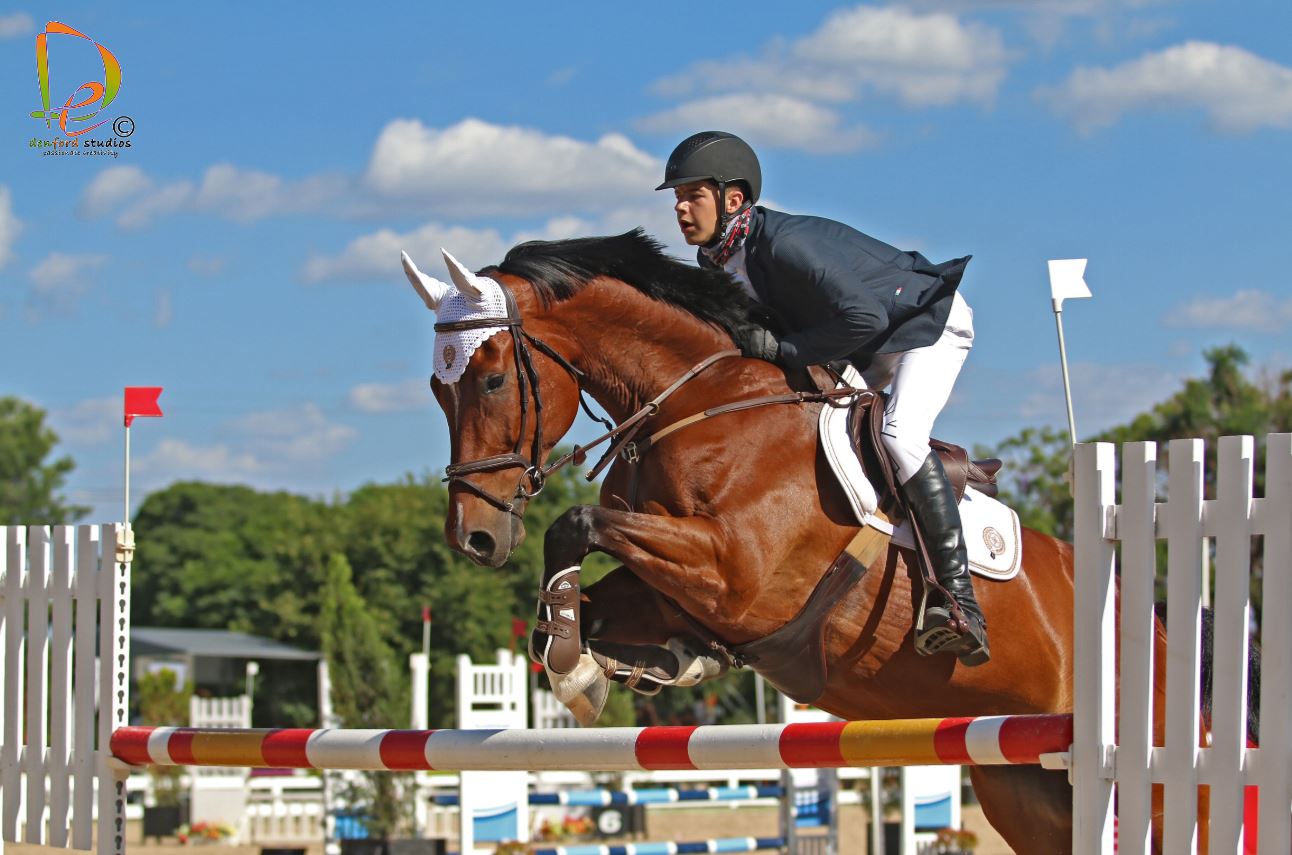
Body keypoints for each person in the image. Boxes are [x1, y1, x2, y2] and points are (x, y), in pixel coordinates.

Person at [657, 130, 989, 666]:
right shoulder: (717, 262)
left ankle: (957, 602)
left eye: (691, 195)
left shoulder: (784, 245)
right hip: (864, 339)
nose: (679, 207)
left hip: (923, 328)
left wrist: (785, 349)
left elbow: (865, 318)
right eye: (676, 197)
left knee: (898, 436)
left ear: (732, 199)